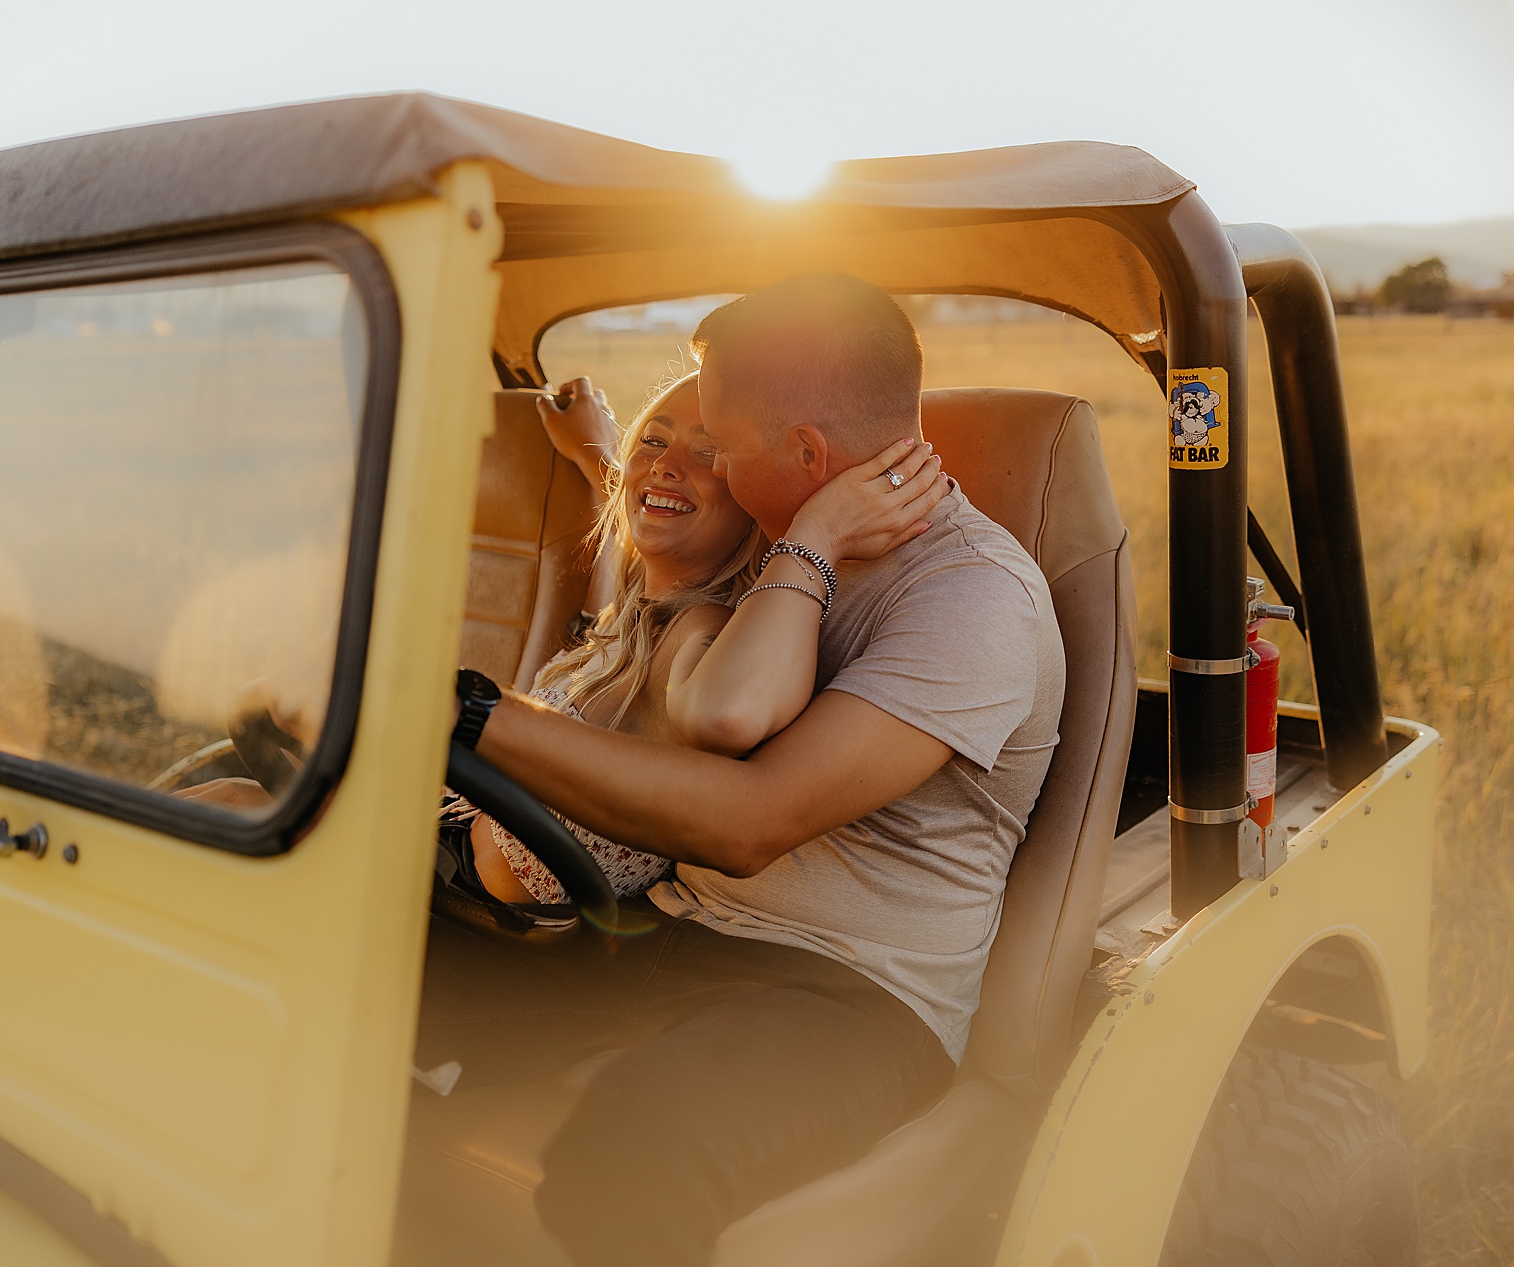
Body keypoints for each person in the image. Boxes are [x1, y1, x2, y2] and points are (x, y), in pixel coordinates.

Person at [425, 272, 1067, 1267]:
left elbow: (748, 819)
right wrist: (611, 458)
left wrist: (468, 713)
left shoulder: (971, 598)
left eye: (720, 442)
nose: (705, 462)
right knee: (357, 971)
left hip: (850, 995)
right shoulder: (773, 547)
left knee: (632, 1152)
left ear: (807, 454)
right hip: (672, 929)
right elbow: (651, 554)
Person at [441, 371, 947, 905]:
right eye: (652, 442)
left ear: (752, 492)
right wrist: (598, 451)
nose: (664, 464)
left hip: (485, 915)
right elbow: (642, 507)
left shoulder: (705, 628)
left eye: (708, 452)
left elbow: (733, 713)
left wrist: (815, 532)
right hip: (441, 873)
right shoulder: (638, 607)